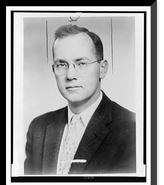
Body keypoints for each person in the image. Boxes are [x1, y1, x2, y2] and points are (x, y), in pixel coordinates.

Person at [24, 24, 136, 175]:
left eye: (81, 63)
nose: (70, 75)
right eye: (62, 64)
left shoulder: (133, 129)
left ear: (102, 69)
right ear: (54, 70)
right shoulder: (38, 128)